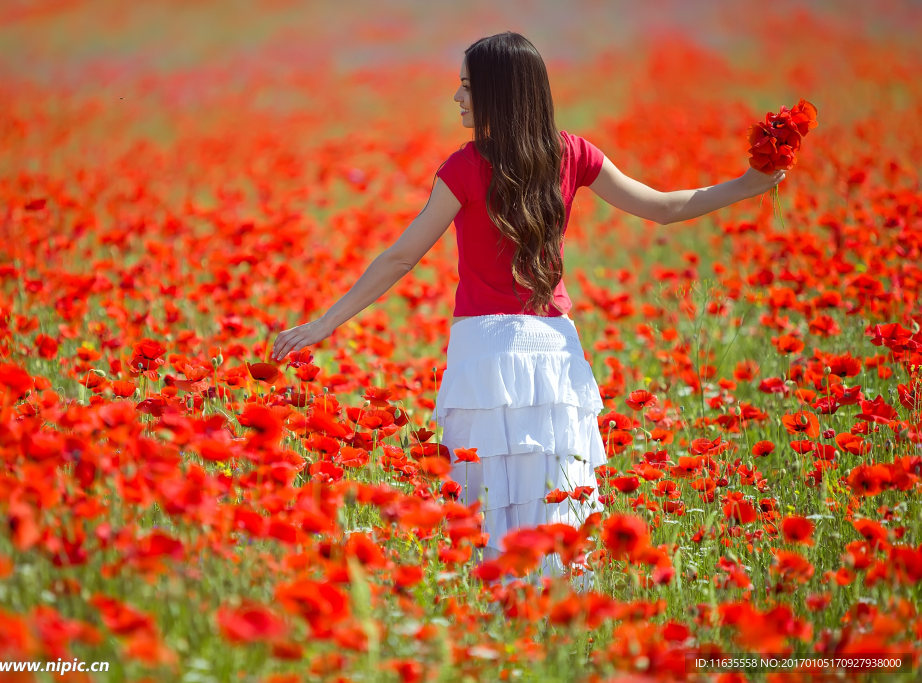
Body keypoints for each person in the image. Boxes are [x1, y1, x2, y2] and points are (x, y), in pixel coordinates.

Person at [270, 32, 784, 588]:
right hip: (555, 354)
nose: (457, 98)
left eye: (467, 87)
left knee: (490, 510)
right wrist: (748, 185)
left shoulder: (466, 166)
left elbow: (399, 258)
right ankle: (561, 626)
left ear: (498, 93)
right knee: (555, 505)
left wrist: (324, 323)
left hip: (485, 356)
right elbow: (662, 208)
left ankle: (504, 632)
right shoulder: (572, 153)